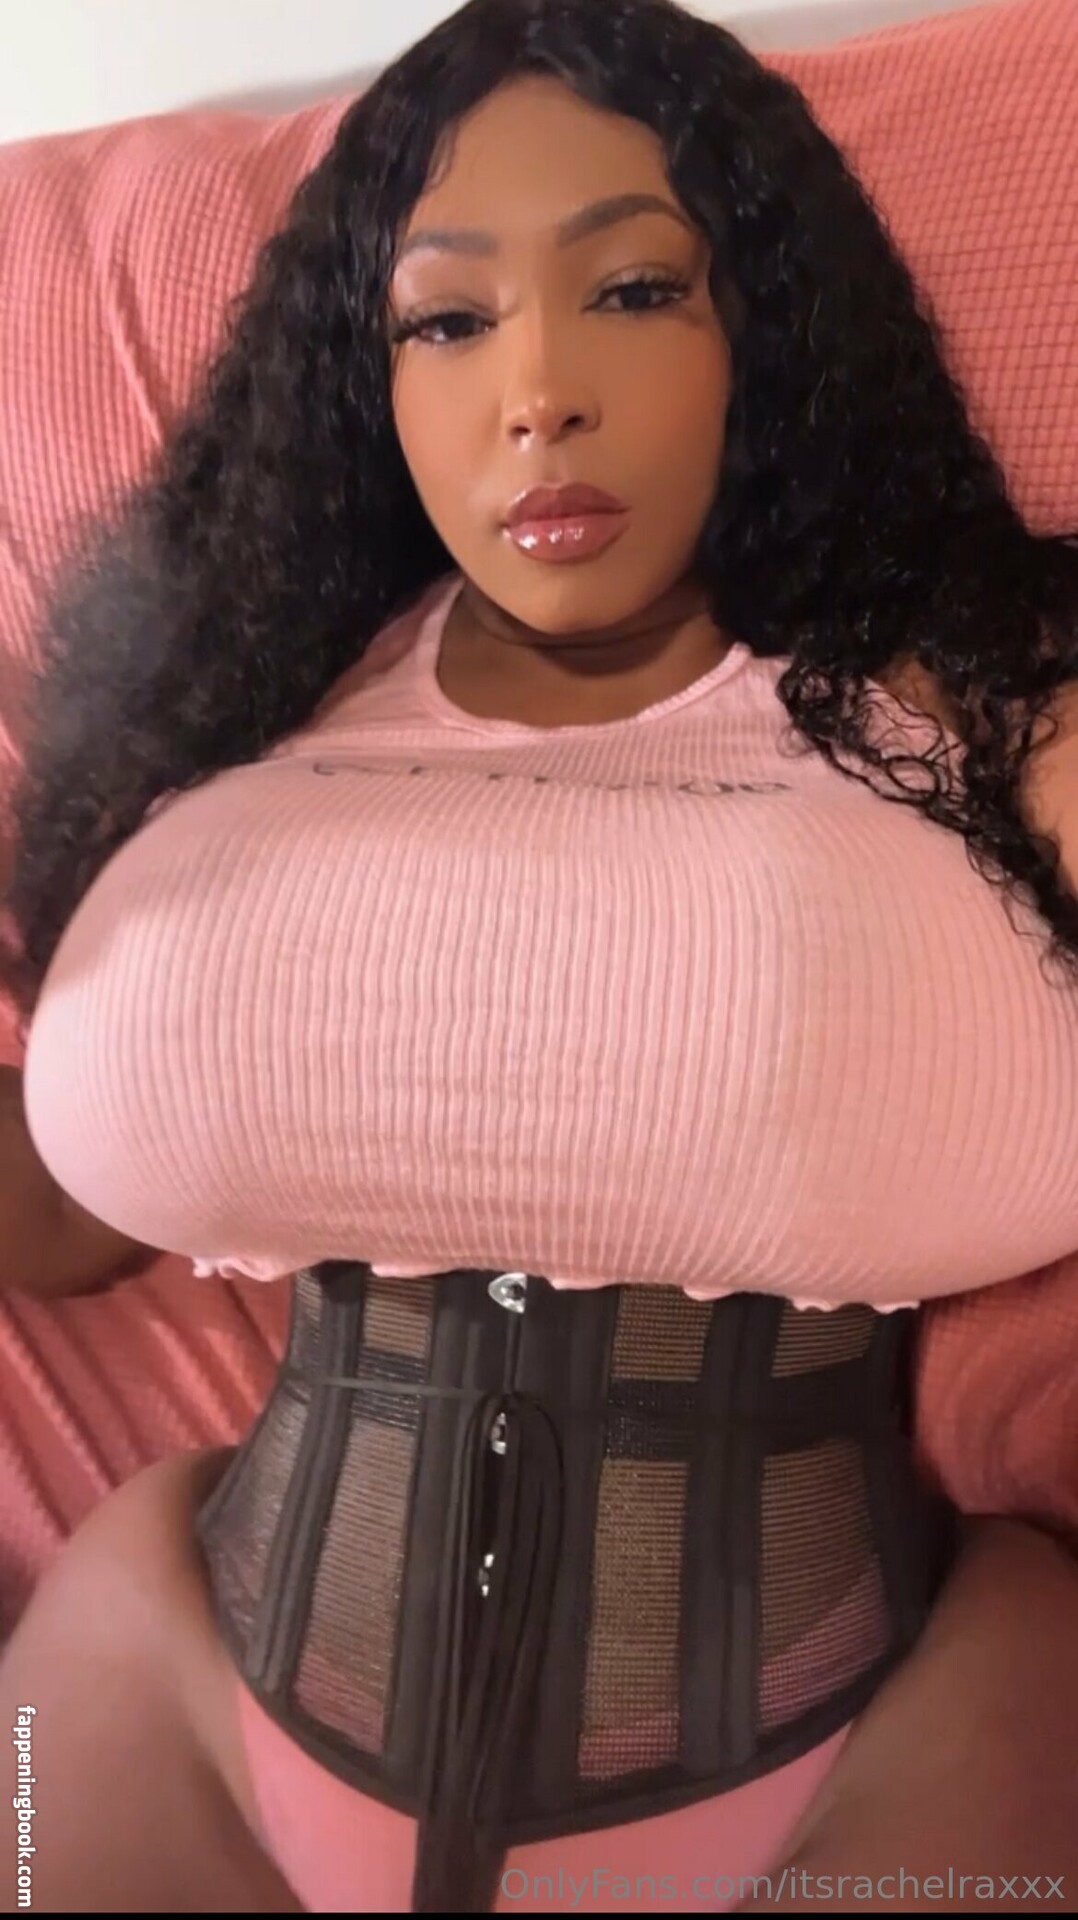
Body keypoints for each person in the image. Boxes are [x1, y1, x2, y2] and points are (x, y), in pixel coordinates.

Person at [2, 0, 1078, 1908]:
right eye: (444, 319)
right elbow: (64, 1225)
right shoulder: (231, 720)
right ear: (368, 377)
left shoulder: (976, 690)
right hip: (168, 1695)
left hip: (890, 1741)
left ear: (766, 329)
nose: (538, 392)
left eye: (637, 290)